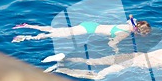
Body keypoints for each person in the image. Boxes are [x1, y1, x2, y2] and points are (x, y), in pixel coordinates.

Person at [42, 37, 162, 80]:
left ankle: (62, 63)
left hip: (131, 59)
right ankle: (62, 65)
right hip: (131, 61)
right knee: (97, 70)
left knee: (96, 68)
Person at [12, 15, 151, 51]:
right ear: (138, 31)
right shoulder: (126, 33)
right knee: (54, 35)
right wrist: (116, 50)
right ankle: (25, 38)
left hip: (90, 25)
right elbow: (111, 43)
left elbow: (131, 20)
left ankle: (28, 25)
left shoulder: (130, 24)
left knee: (56, 31)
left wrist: (133, 21)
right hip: (87, 30)